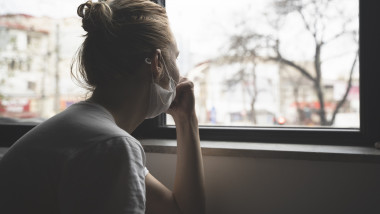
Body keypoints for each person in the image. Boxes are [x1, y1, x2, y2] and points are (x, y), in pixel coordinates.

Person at [0, 0, 206, 213]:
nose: (180, 74)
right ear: (157, 63)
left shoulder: (86, 130)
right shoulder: (112, 145)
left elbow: (179, 210)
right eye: (176, 58)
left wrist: (186, 120)